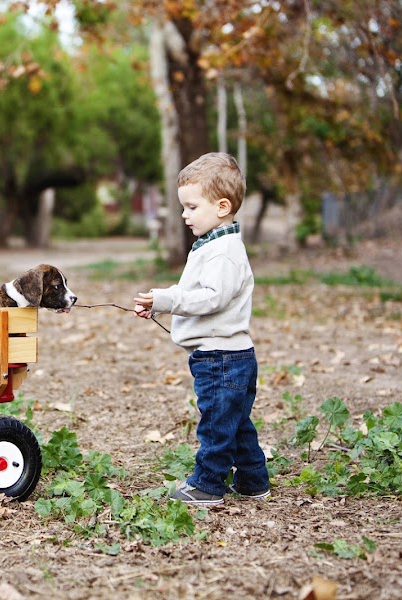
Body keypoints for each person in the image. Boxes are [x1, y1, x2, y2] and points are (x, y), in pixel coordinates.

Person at [133, 152, 269, 507]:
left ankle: (208, 485)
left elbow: (210, 298)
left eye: (192, 207)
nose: (184, 214)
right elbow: (198, 296)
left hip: (222, 358)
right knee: (235, 422)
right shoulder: (213, 245)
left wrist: (166, 299)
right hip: (225, 356)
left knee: (216, 425)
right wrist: (159, 304)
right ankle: (254, 480)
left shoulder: (223, 252)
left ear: (222, 206)